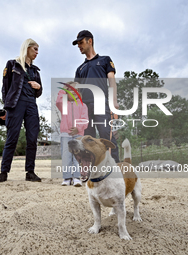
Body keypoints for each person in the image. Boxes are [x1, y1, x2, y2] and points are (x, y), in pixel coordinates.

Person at [0, 38, 43, 182]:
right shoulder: (12, 65)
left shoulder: (35, 71)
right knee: (12, 138)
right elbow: (5, 87)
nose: (37, 53)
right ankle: (3, 172)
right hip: (16, 104)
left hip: (31, 105)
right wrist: (6, 107)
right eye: (35, 49)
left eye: (37, 50)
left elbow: (39, 93)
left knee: (32, 138)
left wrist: (38, 87)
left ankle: (30, 172)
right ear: (27, 48)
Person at [73, 30, 120, 163]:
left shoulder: (105, 60)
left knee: (106, 135)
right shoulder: (80, 68)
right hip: (84, 108)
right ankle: (92, 171)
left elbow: (112, 81)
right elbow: (77, 91)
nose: (79, 46)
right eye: (77, 44)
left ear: (90, 41)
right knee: (88, 140)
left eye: (81, 42)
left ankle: (115, 166)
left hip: (100, 103)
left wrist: (114, 101)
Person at [56, 82, 89, 186]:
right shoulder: (63, 104)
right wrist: (63, 89)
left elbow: (85, 120)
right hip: (65, 135)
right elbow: (58, 101)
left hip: (78, 135)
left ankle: (76, 177)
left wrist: (78, 128)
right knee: (66, 157)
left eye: (77, 90)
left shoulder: (83, 105)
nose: (74, 92)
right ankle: (66, 178)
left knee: (77, 157)